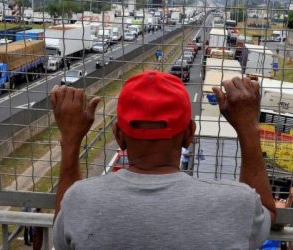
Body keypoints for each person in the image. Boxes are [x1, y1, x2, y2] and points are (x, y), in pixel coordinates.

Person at [50, 70, 276, 249]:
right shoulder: (236, 203)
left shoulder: (79, 201)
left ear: (119, 136)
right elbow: (267, 209)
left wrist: (70, 140)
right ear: (189, 134)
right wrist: (247, 127)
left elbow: (61, 235)